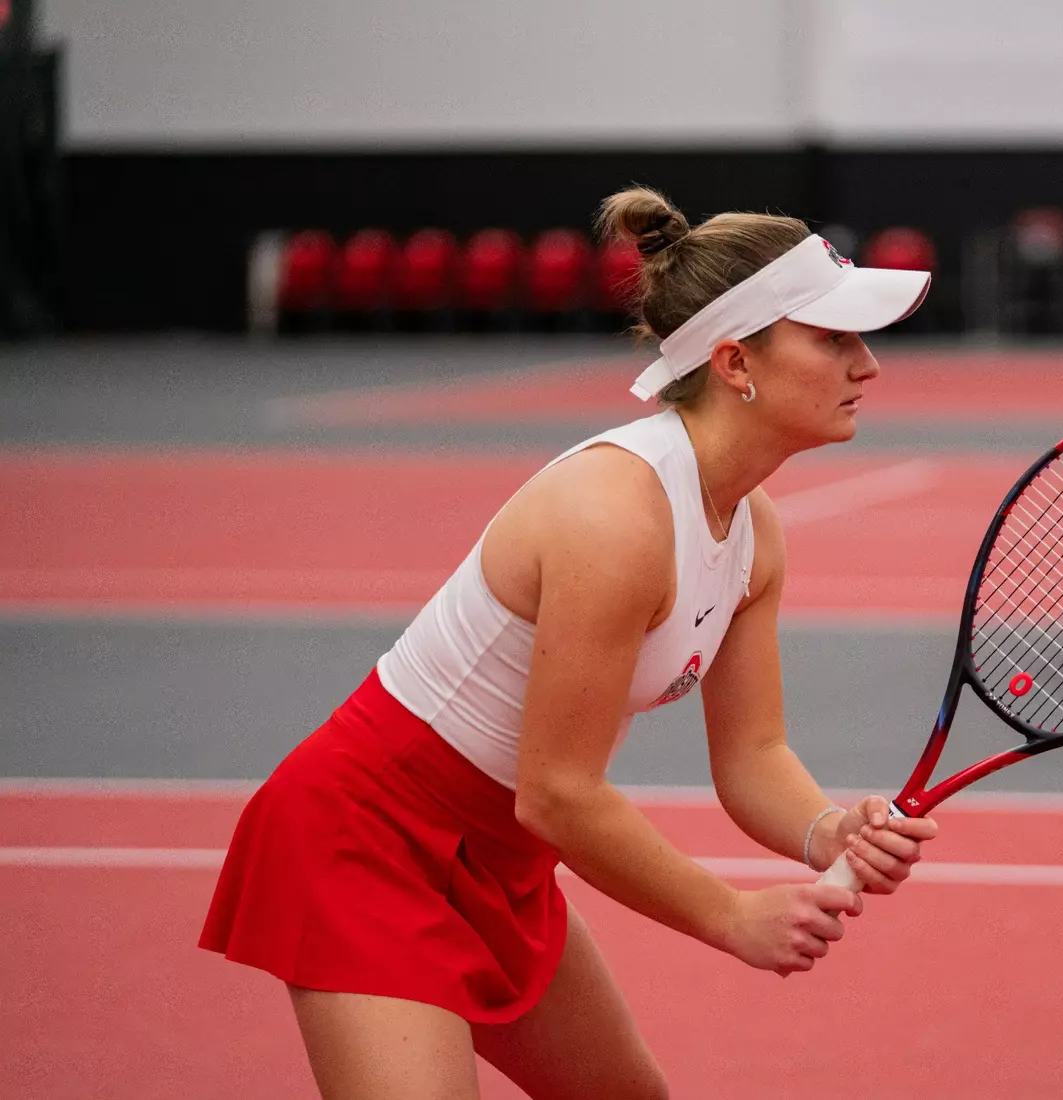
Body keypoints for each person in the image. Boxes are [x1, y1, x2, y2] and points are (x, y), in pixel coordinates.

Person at [199, 187, 940, 1100]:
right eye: (832, 339)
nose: (866, 365)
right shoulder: (613, 516)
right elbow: (556, 794)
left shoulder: (753, 529)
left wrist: (826, 830)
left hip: (500, 858)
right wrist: (731, 915)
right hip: (365, 837)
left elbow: (752, 754)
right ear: (734, 360)